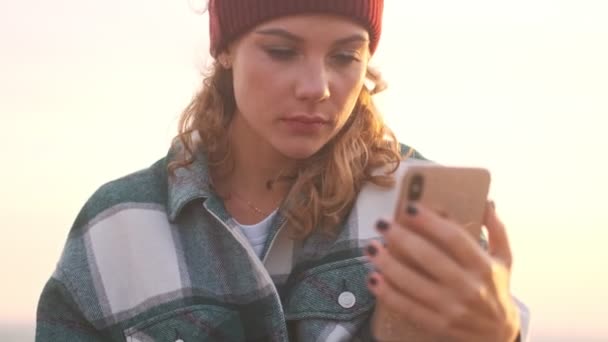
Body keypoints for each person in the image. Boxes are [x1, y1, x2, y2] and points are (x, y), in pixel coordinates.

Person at [36, 0, 529, 341]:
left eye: (344, 56)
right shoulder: (114, 230)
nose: (316, 86)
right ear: (224, 49)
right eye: (282, 51)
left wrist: (500, 335)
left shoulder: (416, 211)